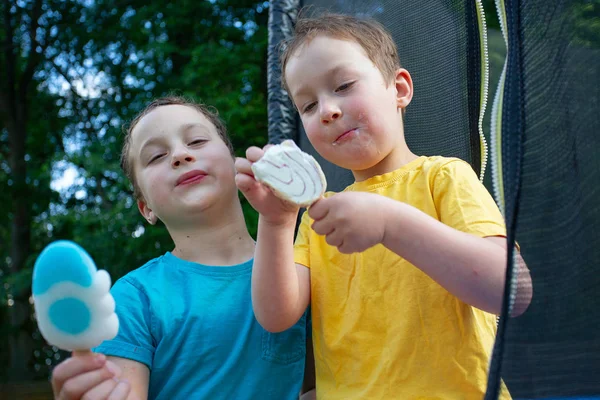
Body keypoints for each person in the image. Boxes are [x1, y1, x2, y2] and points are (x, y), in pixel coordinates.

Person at [235, 13, 533, 399]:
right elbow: (276, 317)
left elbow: (511, 290)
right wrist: (276, 223)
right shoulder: (319, 216)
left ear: (399, 89)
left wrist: (390, 224)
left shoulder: (443, 177)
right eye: (307, 106)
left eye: (343, 85)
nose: (327, 109)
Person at [50, 96, 315, 400]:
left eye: (197, 141)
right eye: (156, 156)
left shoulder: (303, 266)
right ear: (145, 207)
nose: (179, 155)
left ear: (232, 162)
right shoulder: (133, 298)